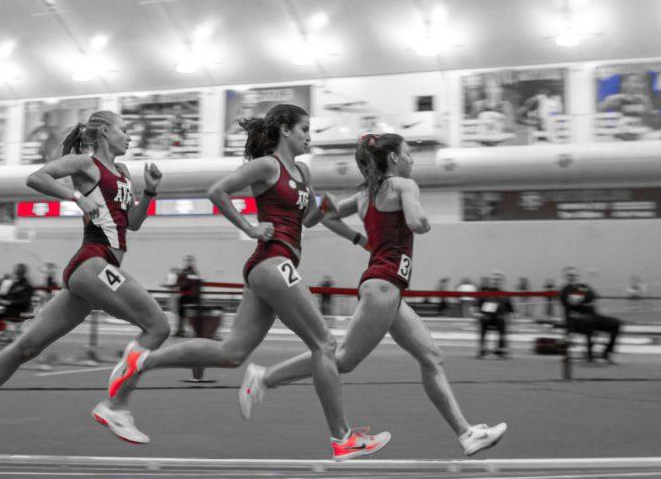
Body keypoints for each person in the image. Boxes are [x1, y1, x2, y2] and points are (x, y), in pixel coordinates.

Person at [107, 104, 389, 461]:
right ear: (285, 130)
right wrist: (249, 227)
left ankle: (141, 362)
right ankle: (342, 438)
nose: (309, 135)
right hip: (272, 262)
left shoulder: (301, 171)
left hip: (273, 267)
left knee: (231, 353)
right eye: (304, 128)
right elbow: (217, 191)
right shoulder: (267, 165)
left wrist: (357, 237)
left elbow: (313, 218)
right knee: (324, 344)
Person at [239, 134, 506, 456]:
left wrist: (357, 238)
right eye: (408, 154)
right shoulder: (405, 186)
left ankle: (466, 434)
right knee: (342, 360)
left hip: (387, 288)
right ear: (393, 158)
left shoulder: (365, 195)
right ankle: (264, 377)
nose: (412, 160)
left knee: (431, 356)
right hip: (383, 287)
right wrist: (419, 221)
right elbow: (414, 219)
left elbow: (322, 215)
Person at [0, 111, 167, 447]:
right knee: (158, 326)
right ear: (104, 132)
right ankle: (116, 406)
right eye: (124, 130)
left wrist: (151, 193)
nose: (129, 137)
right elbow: (36, 178)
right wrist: (76, 197)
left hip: (94, 269)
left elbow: (133, 224)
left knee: (27, 346)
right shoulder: (85, 163)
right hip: (93, 262)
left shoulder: (123, 173)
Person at [560, 267, 621, 364]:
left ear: (578, 276)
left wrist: (580, 300)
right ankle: (589, 354)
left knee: (616, 323)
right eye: (570, 275)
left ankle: (606, 352)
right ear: (566, 277)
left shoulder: (584, 286)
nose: (572, 277)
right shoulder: (565, 290)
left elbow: (593, 296)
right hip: (576, 320)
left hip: (594, 317)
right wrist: (583, 300)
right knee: (589, 321)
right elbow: (570, 304)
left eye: (574, 275)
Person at [477, 274, 513, 358]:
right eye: (494, 280)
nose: (496, 282)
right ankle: (482, 348)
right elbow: (476, 307)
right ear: (491, 281)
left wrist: (510, 318)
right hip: (486, 317)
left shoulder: (505, 295)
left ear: (502, 282)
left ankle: (501, 349)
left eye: (498, 280)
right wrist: (478, 315)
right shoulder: (484, 294)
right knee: (484, 320)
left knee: (502, 321)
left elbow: (511, 310)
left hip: (499, 318)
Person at [174, 256, 202, 337]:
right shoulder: (187, 271)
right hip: (187, 296)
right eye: (186, 261)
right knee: (182, 315)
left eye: (189, 261)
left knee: (187, 315)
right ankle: (181, 330)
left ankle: (182, 330)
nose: (187, 262)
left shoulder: (191, 272)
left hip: (189, 296)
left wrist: (181, 280)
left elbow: (185, 283)